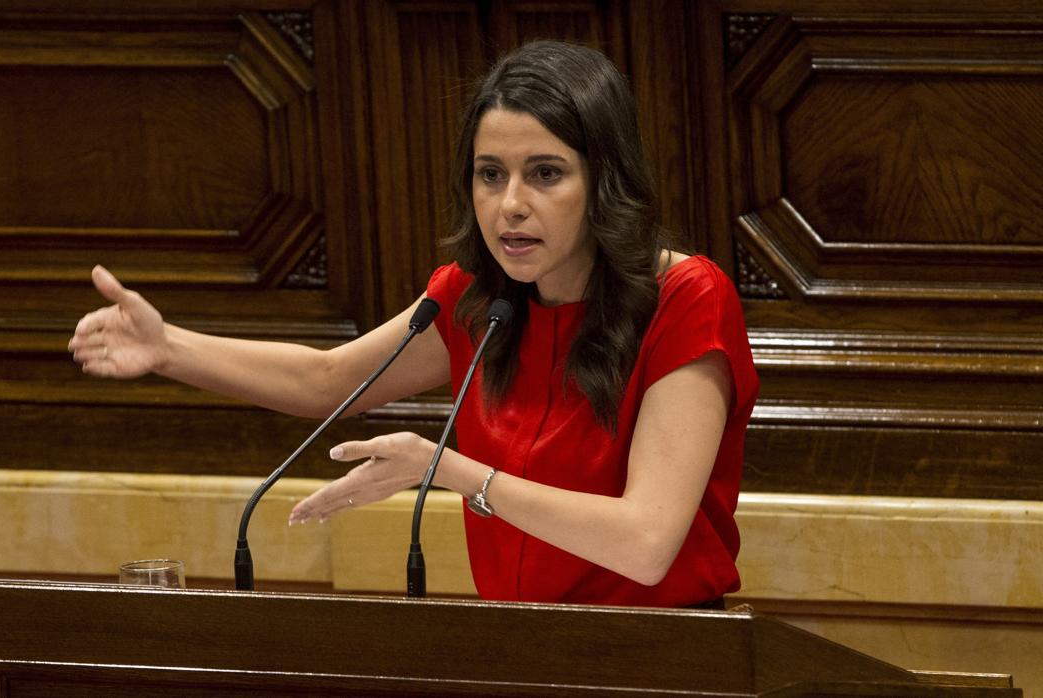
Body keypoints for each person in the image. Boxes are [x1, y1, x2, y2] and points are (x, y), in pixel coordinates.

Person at [68, 40, 758, 608]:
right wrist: (168, 348)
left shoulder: (684, 297)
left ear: (603, 181)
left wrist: (449, 470)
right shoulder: (475, 299)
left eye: (545, 173)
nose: (510, 204)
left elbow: (646, 542)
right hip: (521, 657)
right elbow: (327, 381)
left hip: (668, 660)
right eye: (490, 175)